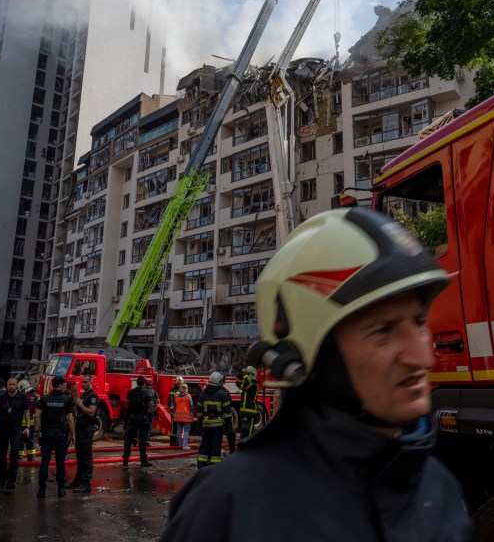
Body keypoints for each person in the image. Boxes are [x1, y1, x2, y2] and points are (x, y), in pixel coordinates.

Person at [161, 209, 474, 541]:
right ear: (310, 357)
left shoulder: (439, 488)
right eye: (383, 331)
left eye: (418, 323)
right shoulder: (229, 507)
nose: (422, 357)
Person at [33, 376, 74, 498]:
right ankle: (61, 489)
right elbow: (70, 419)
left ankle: (41, 490)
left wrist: (36, 431)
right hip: (60, 434)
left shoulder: (45, 399)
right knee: (60, 462)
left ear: (52, 385)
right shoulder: (66, 399)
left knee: (44, 462)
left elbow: (36, 416)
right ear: (60, 385)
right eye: (64, 385)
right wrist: (73, 433)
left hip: (46, 433)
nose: (65, 386)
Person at [0, 377, 30, 490]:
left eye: (13, 384)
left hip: (16, 428)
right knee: (2, 453)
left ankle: (11, 480)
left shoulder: (22, 397)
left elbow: (26, 411)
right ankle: (1, 478)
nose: (11, 386)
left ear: (17, 385)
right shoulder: (1, 396)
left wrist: (28, 427)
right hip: (2, 427)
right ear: (7, 385)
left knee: (15, 452)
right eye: (10, 384)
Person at [67, 374, 98, 493]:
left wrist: (80, 404)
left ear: (91, 382)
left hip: (87, 429)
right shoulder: (84, 395)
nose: (83, 384)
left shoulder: (92, 396)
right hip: (80, 428)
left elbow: (91, 412)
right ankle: (78, 481)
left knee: (86, 457)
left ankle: (86, 483)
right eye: (82, 382)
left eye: (85, 382)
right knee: (79, 456)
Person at [196, 372, 230, 468]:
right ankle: (214, 465)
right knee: (216, 445)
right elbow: (227, 412)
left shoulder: (203, 394)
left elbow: (199, 411)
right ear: (219, 382)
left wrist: (199, 423)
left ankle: (201, 465)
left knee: (204, 444)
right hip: (217, 425)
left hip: (206, 424)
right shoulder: (222, 395)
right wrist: (228, 425)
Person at [121, 376, 155, 468]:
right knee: (142, 440)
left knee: (128, 440)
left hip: (132, 418)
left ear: (137, 382)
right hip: (142, 419)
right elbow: (151, 406)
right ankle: (143, 461)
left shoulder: (130, 392)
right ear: (144, 383)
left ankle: (125, 461)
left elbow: (126, 402)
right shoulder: (146, 393)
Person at [235, 366, 260, 439]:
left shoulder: (254, 384)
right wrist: (240, 375)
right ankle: (243, 445)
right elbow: (239, 385)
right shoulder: (248, 384)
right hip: (243, 412)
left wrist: (245, 374)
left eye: (247, 372)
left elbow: (246, 383)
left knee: (249, 432)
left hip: (251, 412)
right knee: (243, 431)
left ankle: (248, 446)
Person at [17, 379, 38, 461]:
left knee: (20, 441)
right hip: (31, 424)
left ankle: (19, 458)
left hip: (20, 424)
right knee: (30, 441)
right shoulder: (36, 396)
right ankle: (31, 458)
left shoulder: (20, 397)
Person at [172, 383, 195, 450]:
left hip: (178, 416)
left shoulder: (176, 396)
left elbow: (174, 407)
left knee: (179, 431)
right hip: (186, 417)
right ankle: (185, 445)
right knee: (186, 431)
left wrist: (173, 413)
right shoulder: (188, 396)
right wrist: (192, 413)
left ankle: (180, 445)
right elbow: (192, 406)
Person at [167, 376, 183, 446]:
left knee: (179, 427)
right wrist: (172, 410)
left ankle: (177, 441)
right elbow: (170, 401)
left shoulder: (182, 390)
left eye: (181, 383)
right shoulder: (172, 390)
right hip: (175, 412)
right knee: (174, 427)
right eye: (179, 383)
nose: (180, 385)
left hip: (181, 412)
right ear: (177, 383)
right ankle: (172, 442)